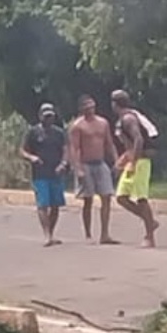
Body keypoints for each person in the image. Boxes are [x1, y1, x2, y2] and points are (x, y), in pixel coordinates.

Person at [68, 94, 119, 244]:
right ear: (81, 109)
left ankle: (105, 234)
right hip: (86, 164)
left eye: (92, 106)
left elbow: (109, 143)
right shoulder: (78, 126)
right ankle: (88, 234)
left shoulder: (103, 123)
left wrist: (116, 161)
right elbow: (74, 148)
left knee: (107, 197)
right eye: (87, 107)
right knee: (88, 200)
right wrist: (78, 169)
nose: (91, 109)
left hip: (100, 163)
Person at [111, 89, 159, 248]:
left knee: (141, 198)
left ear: (114, 104)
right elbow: (130, 145)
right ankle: (150, 221)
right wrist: (123, 159)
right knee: (121, 197)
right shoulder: (125, 118)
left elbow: (138, 139)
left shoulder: (128, 118)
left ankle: (150, 236)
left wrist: (133, 162)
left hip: (141, 161)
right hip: (134, 159)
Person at [21, 102, 69, 247]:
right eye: (46, 116)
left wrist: (64, 164)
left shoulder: (59, 133)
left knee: (55, 205)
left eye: (51, 116)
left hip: (56, 173)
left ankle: (52, 233)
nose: (49, 119)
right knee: (43, 204)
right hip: (40, 174)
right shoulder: (33, 132)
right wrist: (32, 157)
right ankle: (46, 235)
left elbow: (66, 150)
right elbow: (23, 150)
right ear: (40, 116)